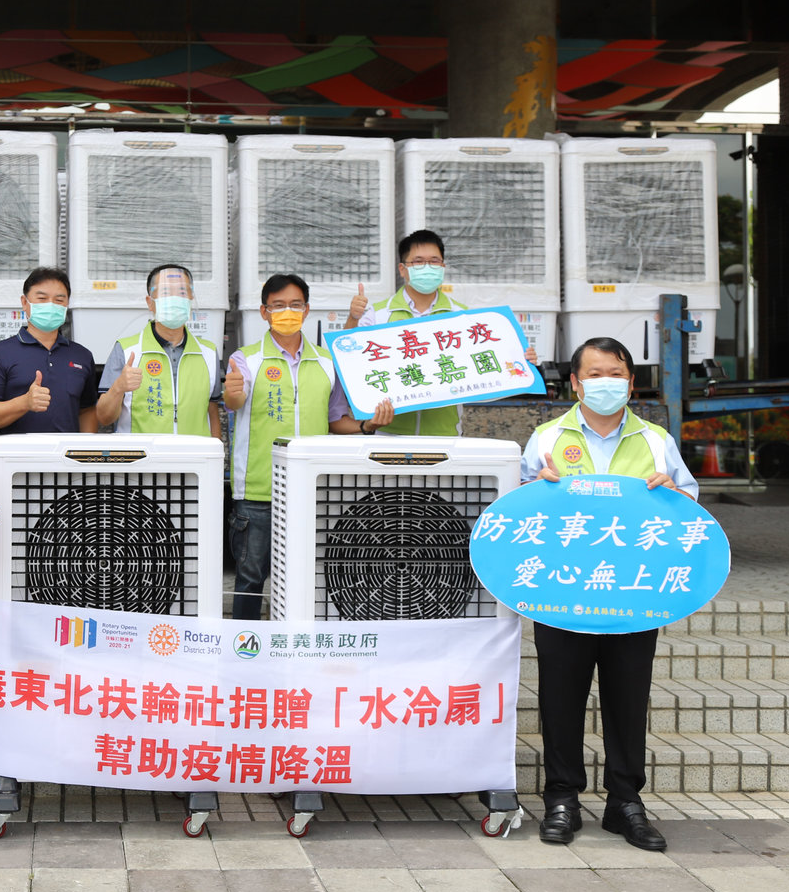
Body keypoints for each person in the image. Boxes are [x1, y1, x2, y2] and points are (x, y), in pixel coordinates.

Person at [520, 337, 698, 852]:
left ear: (631, 382)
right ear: (575, 384)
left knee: (627, 698)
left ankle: (625, 802)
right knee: (560, 697)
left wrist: (675, 495)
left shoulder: (657, 440)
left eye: (615, 374)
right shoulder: (547, 438)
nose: (606, 383)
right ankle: (562, 799)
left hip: (633, 595)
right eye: (594, 375)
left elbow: (692, 506)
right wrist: (536, 489)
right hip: (561, 593)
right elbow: (514, 512)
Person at [225, 273, 362, 621]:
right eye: (278, 305)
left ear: (307, 309)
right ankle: (246, 645)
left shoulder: (327, 362)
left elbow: (336, 420)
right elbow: (234, 401)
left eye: (295, 304)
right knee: (250, 579)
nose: (288, 311)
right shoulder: (246, 359)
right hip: (257, 491)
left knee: (308, 577)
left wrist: (368, 425)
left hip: (312, 489)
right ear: (264, 312)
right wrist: (232, 392)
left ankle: (296, 643)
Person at [343, 228, 536, 435]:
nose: (427, 267)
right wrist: (353, 318)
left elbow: (486, 366)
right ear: (402, 269)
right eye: (418, 262)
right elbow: (346, 357)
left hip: (445, 436)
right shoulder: (378, 314)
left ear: (443, 267)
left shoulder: (462, 317)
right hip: (388, 435)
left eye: (434, 261)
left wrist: (522, 359)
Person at [96, 263, 222, 436]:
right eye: (166, 292)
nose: (174, 299)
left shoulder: (208, 353)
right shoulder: (126, 350)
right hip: (142, 452)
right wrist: (118, 387)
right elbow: (104, 418)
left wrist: (216, 450)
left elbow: (212, 412)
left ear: (190, 299)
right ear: (150, 302)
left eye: (182, 292)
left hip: (193, 452)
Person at [0, 267, 99, 435]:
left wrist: (85, 448)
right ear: (25, 303)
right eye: (42, 298)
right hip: (18, 452)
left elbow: (87, 410)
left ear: (67, 304)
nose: (51, 305)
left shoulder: (82, 356)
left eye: (59, 300)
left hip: (66, 451)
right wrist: (25, 402)